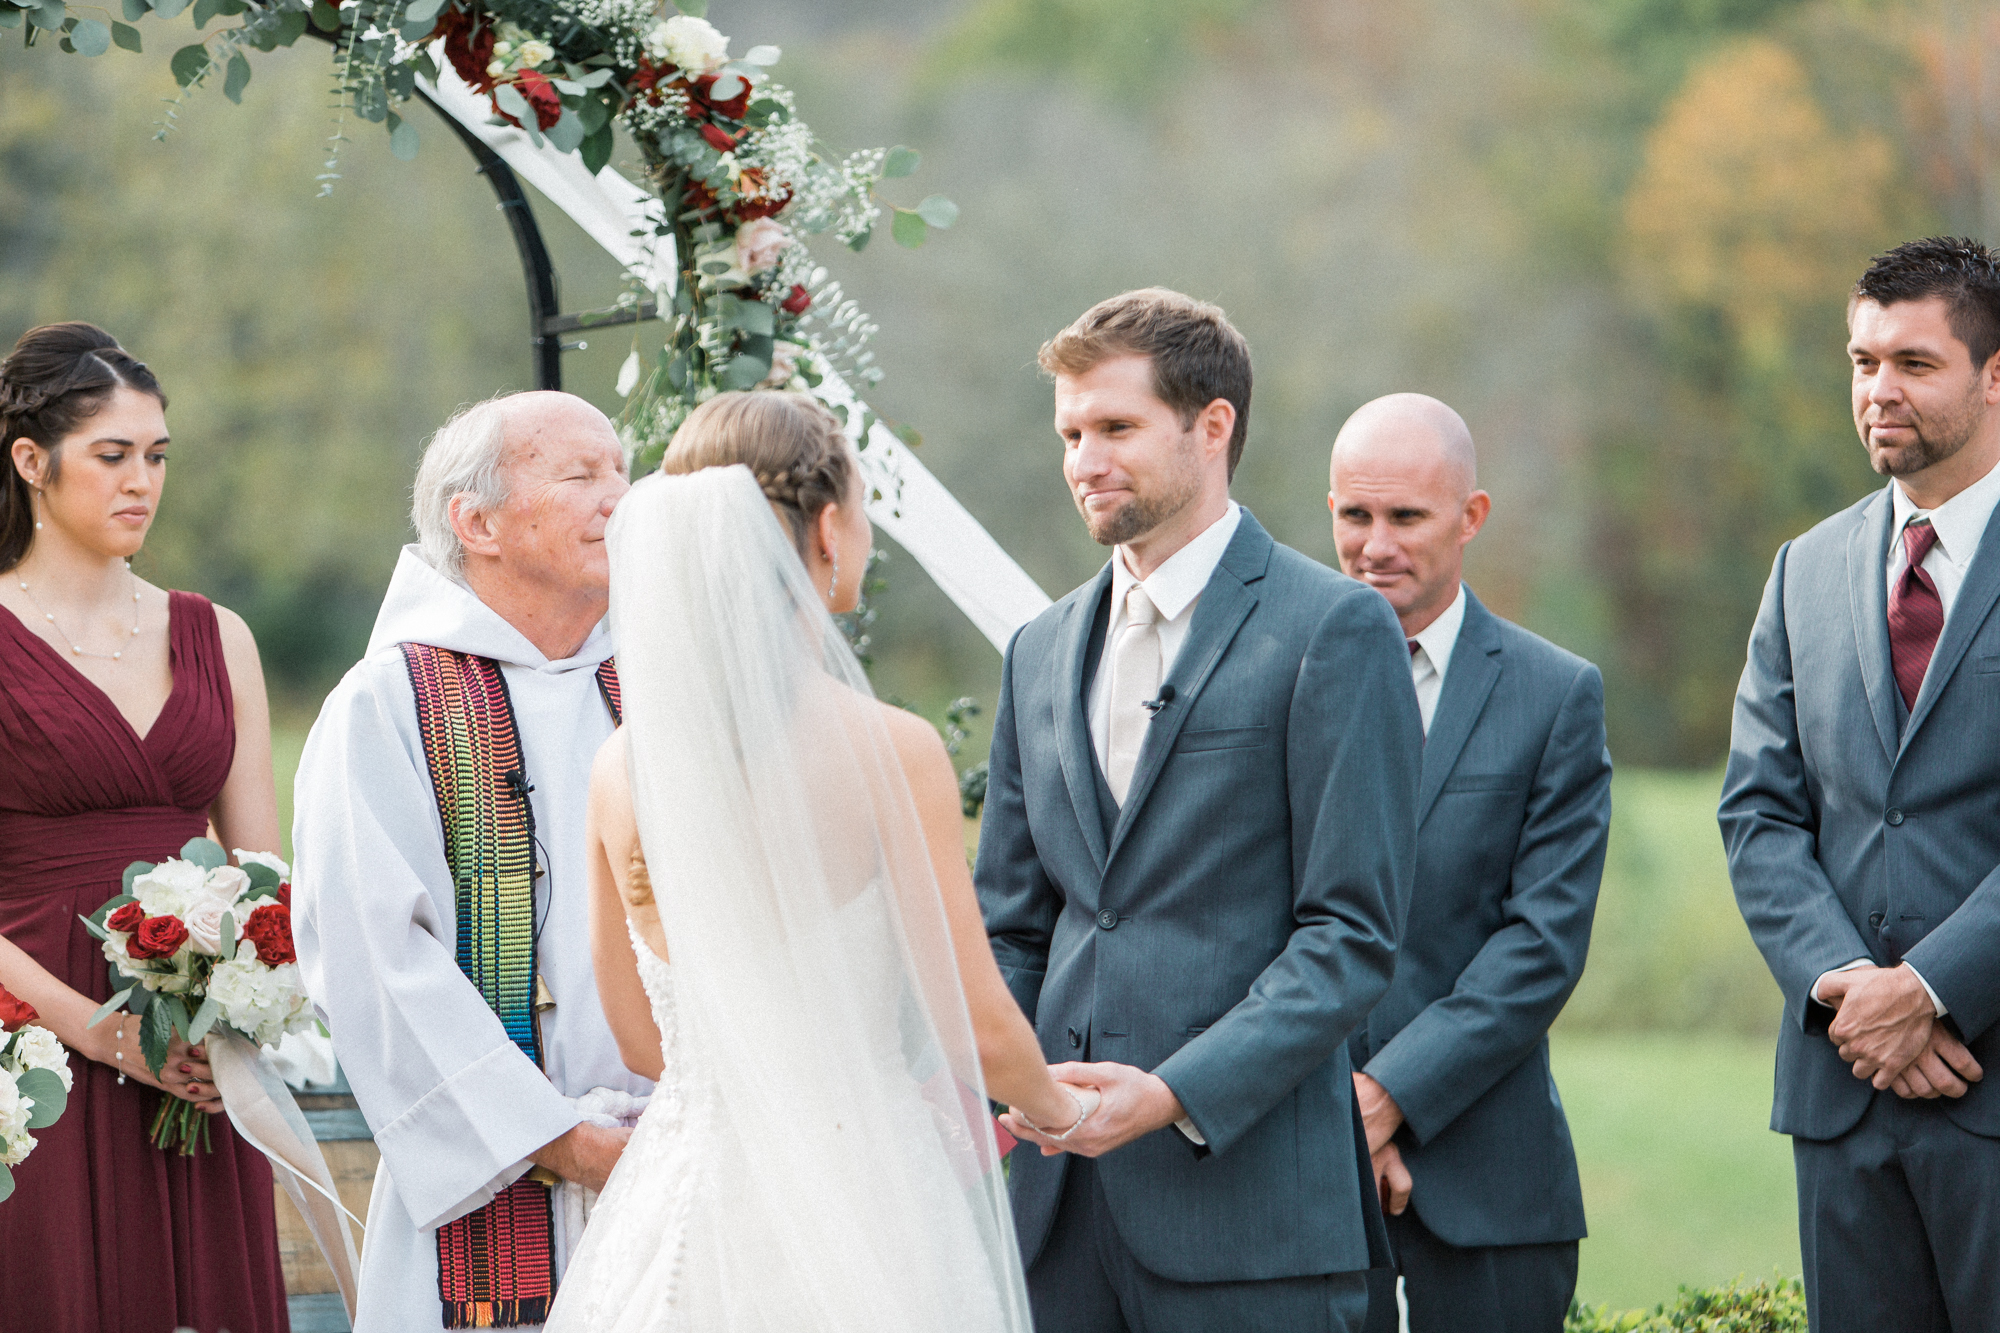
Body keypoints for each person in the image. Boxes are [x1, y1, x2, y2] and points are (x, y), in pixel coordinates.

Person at [547, 391, 1087, 1332]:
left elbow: (638, 1037)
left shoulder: (618, 768)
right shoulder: (891, 749)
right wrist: (1061, 1109)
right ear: (829, 528)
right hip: (866, 1185)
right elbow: (975, 1027)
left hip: (688, 1195)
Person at [977, 288, 1423, 1333]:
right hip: (1053, 1221)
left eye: (1115, 427)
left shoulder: (1334, 629)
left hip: (1252, 1216)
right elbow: (1010, 920)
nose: (1083, 457)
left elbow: (1348, 937)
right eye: (1070, 433)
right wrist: (1003, 1082)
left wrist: (1170, 1093)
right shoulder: (1037, 649)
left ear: (1210, 425)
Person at [292, 391, 649, 1331]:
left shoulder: (658, 685)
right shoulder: (388, 705)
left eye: (623, 471)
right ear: (476, 521)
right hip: (492, 1186)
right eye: (582, 476)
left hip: (674, 1165)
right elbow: (373, 957)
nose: (621, 497)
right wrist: (556, 1137)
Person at [1720, 235, 2000, 1332]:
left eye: (1912, 363)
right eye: (1859, 360)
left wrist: (1926, 989)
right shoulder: (1804, 569)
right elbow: (1756, 811)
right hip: (1843, 1098)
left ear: (1992, 376)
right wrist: (1846, 988)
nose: (1876, 390)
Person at [0, 322, 288, 1332]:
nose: (142, 482)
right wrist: (103, 1034)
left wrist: (235, 1022)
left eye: (157, 455)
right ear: (31, 462)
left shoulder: (219, 637)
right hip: (36, 1063)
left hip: (200, 1070)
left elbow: (262, 877)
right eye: (112, 455)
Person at [1330, 394, 1611, 1333]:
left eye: (1405, 517)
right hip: (1305, 1188)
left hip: (1492, 1190)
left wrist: (1387, 1097)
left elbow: (1540, 945)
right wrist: (1336, 1115)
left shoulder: (1554, 694)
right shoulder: (1277, 681)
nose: (1375, 544)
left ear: (1470, 517)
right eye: (1353, 515)